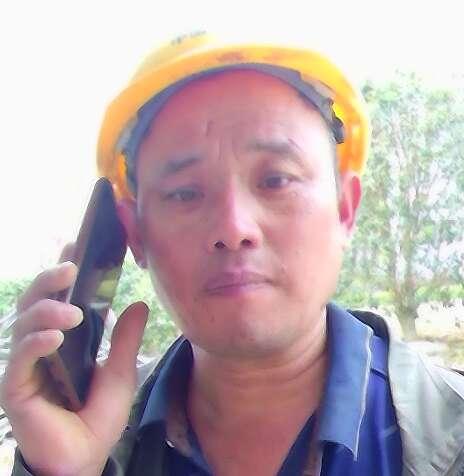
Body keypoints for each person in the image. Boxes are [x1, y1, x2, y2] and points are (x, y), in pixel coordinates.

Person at [2, 31, 464, 476]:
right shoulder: (100, 440)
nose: (233, 228)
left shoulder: (451, 431)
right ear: (135, 235)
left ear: (345, 208)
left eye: (276, 180)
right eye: (185, 194)